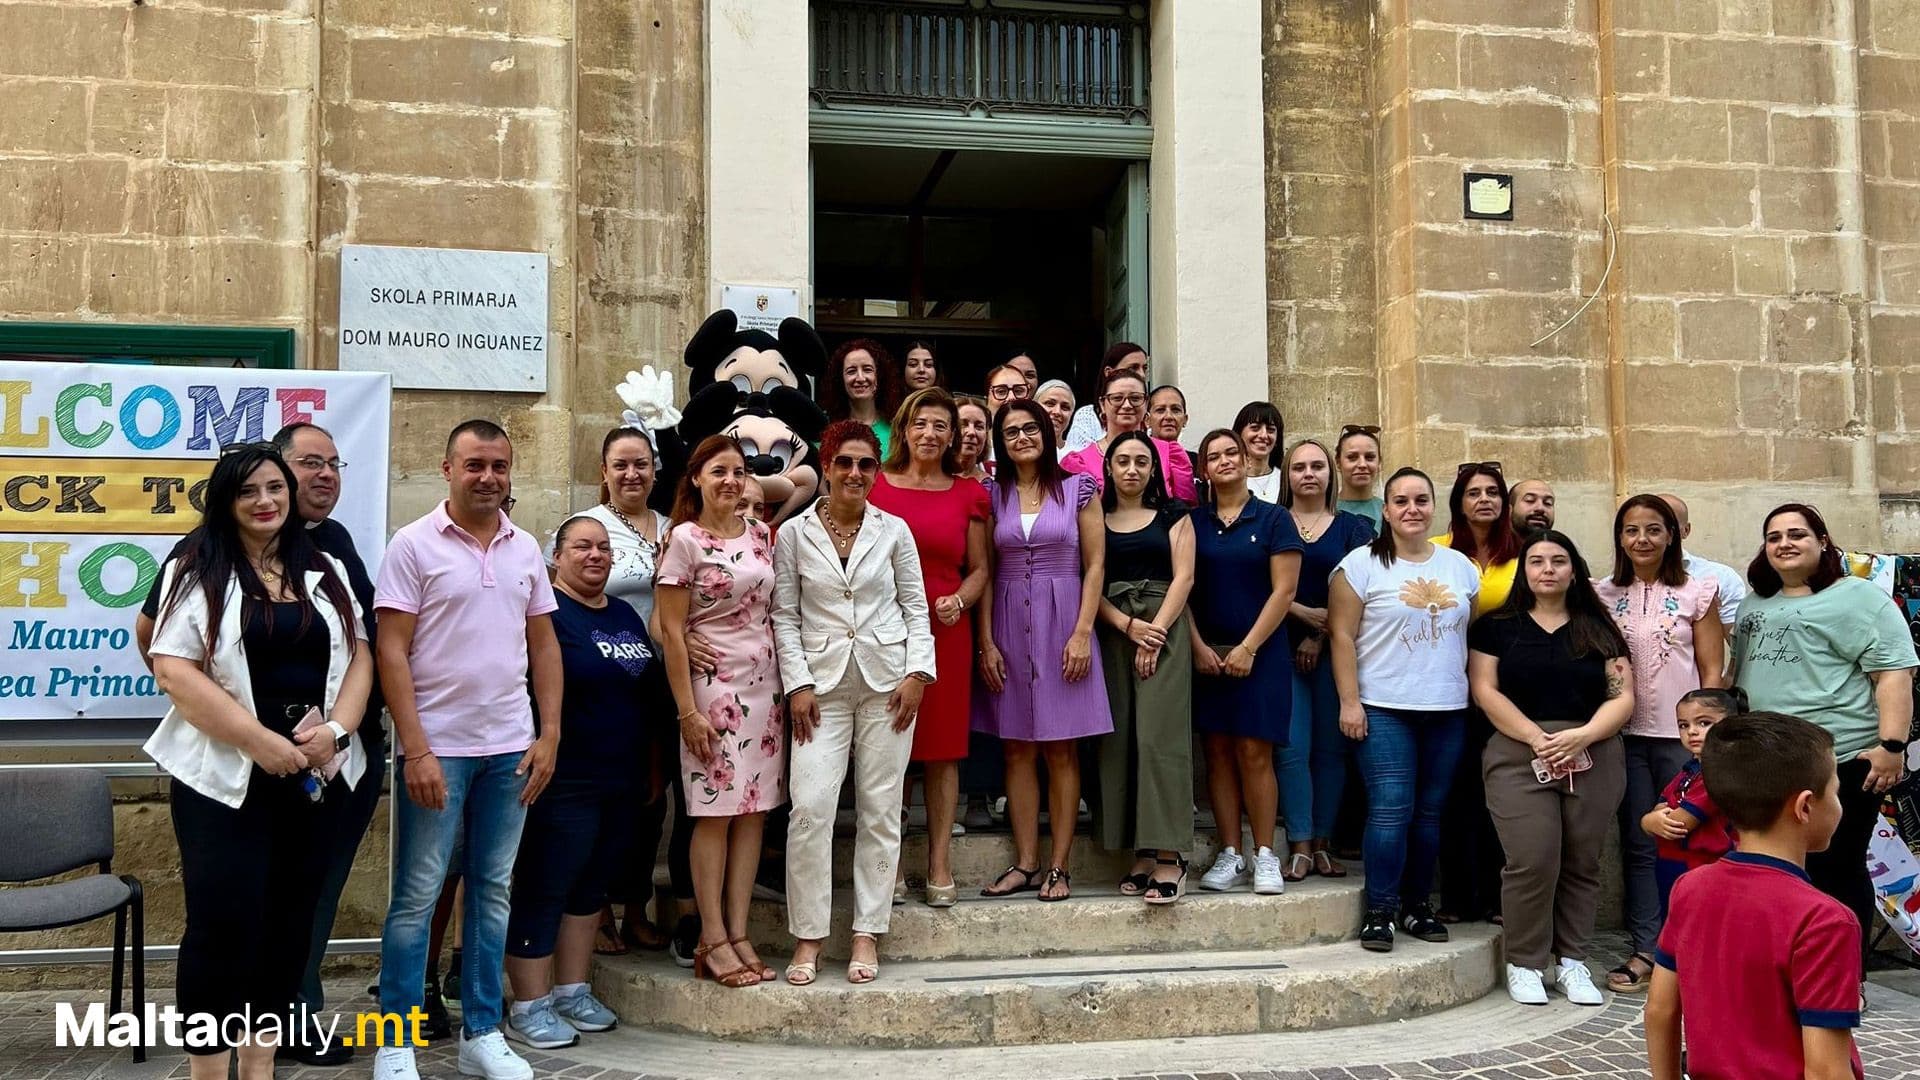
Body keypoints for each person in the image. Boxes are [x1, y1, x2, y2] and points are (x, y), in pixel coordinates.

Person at [135, 423, 384, 1069]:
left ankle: (259, 1067)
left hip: (312, 777)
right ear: (226, 500)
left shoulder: (323, 566)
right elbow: (170, 665)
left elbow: (362, 651)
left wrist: (337, 730)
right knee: (221, 932)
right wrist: (258, 741)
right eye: (249, 490)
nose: (266, 500)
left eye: (276, 486)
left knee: (287, 931)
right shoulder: (198, 566)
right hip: (225, 778)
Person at [372, 421, 562, 1080]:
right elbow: (390, 648)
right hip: (439, 752)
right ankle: (395, 1041)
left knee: (492, 892)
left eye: (500, 466)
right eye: (475, 465)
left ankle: (483, 1031)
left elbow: (543, 646)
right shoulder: (413, 545)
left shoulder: (526, 548)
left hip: (510, 751)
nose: (488, 477)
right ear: (447, 468)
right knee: (417, 898)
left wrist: (550, 735)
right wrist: (416, 749)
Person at [774, 421, 936, 984]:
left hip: (888, 684)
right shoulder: (794, 534)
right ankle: (809, 937)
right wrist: (796, 683)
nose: (855, 474)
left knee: (880, 809)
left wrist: (918, 672)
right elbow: (784, 615)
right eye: (845, 462)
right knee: (811, 810)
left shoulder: (894, 530)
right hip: (819, 690)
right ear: (826, 464)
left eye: (866, 464)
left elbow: (916, 607)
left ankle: (868, 931)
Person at [1731, 502, 1917, 970]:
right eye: (1774, 536)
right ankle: (1786, 964)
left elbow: (1893, 674)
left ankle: (1843, 972)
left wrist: (1892, 747)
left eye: (1797, 534)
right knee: (1777, 867)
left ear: (1822, 542)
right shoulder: (1755, 603)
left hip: (1840, 759)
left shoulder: (1859, 598)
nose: (1785, 544)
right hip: (1767, 760)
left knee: (1837, 866)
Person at [503, 516, 664, 1049]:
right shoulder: (547, 613)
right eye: (581, 547)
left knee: (590, 890)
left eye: (602, 548)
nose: (594, 556)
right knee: (546, 884)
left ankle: (571, 990)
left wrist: (651, 764)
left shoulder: (622, 613)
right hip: (562, 778)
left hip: (619, 779)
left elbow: (644, 690)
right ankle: (528, 1004)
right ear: (556, 557)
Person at [1646, 711, 1863, 1080]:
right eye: (1837, 792)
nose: (1840, 805)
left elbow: (1660, 1010)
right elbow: (1826, 1070)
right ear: (1805, 806)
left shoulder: (1690, 888)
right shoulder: (1826, 920)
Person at [1468, 530, 1631, 1007]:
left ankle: (1573, 961)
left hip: (1593, 752)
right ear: (1525, 570)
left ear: (1574, 570)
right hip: (1519, 752)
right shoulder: (1497, 627)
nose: (1547, 569)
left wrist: (1583, 735)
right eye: (1536, 561)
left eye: (1558, 561)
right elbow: (1486, 690)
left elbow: (1623, 697)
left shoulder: (1599, 629)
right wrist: (1537, 738)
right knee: (1532, 859)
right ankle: (1525, 962)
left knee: (1583, 861)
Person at [653, 435, 787, 988]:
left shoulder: (762, 534)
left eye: (738, 472)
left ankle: (738, 931)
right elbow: (670, 629)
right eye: (718, 471)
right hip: (712, 692)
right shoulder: (684, 539)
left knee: (754, 813)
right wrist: (687, 711)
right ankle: (709, 935)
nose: (731, 481)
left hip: (765, 690)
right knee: (714, 813)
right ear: (697, 479)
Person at [1327, 467, 1479, 952]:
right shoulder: (1360, 565)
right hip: (1383, 705)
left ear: (1433, 506)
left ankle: (1418, 905)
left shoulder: (1460, 568)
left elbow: (1467, 633)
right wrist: (1349, 702)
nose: (1411, 509)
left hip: (1446, 706)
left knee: (1430, 813)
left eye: (1420, 500)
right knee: (1391, 807)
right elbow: (1342, 636)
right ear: (1386, 511)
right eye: (1400, 501)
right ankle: (1381, 909)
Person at [974, 399, 1111, 902]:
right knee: (1016, 744)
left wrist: (1082, 631)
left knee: (1061, 744)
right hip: (1010, 619)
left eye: (1030, 428)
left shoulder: (1077, 488)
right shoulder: (994, 494)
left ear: (1046, 434)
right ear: (1001, 442)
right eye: (1010, 432)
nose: (1022, 438)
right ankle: (1026, 862)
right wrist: (985, 640)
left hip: (1064, 618)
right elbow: (985, 569)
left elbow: (1095, 565)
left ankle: (1060, 865)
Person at [1590, 493, 1725, 994]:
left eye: (1653, 529)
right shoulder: (1602, 593)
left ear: (1672, 535)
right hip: (1623, 736)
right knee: (1639, 842)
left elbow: (1711, 671)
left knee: (1691, 839)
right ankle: (1649, 947)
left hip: (1681, 739)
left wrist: (1709, 735)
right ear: (1619, 538)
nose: (1641, 539)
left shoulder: (1697, 591)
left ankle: (1694, 943)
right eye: (1631, 530)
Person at [871, 389, 991, 907]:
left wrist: (961, 602)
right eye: (921, 423)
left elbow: (981, 568)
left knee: (942, 754)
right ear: (904, 427)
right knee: (889, 750)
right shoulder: (875, 485)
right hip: (882, 630)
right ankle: (890, 863)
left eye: (942, 426)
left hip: (946, 630)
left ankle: (940, 862)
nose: (931, 434)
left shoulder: (968, 493)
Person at [1187, 429, 1303, 896]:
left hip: (1262, 652)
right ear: (1204, 469)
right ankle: (1231, 853)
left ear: (1246, 458)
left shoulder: (1275, 519)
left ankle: (1265, 855)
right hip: (1209, 653)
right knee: (1216, 753)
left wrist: (1248, 647)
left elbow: (1285, 591)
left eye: (1231, 452)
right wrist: (1197, 646)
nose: (1224, 461)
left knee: (1255, 753)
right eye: (1213, 456)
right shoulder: (1193, 523)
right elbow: (1184, 588)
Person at [1095, 431, 1197, 904]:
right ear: (1109, 468)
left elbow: (1185, 576)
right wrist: (1125, 625)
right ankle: (1140, 848)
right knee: (1121, 740)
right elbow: (1086, 578)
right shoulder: (1094, 515)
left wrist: (1153, 632)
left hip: (1165, 626)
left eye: (1141, 461)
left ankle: (1170, 855)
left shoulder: (1174, 515)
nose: (1132, 469)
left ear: (1154, 469)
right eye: (1123, 461)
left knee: (1159, 737)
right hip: (1114, 631)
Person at [1276, 439, 1374, 881]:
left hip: (1338, 650)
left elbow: (1365, 589)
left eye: (1317, 466)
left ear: (1330, 473)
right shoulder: (1274, 522)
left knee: (1332, 751)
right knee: (1293, 748)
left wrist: (1321, 634)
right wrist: (1299, 614)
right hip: (1280, 648)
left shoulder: (1353, 528)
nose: (1309, 474)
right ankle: (1298, 843)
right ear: (1287, 475)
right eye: (1299, 467)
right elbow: (1264, 585)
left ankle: (1322, 843)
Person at [1434, 460, 1516, 929]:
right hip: (1446, 687)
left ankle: (1497, 897)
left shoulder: (1524, 555)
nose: (1483, 499)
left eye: (1492, 492)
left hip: (1507, 691)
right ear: (1459, 503)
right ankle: (1457, 895)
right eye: (1473, 493)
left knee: (1500, 795)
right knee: (1454, 794)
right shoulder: (1437, 552)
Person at [1643, 686, 1744, 920]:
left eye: (1704, 723)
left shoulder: (1717, 772)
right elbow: (1657, 813)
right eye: (1683, 725)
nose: (1692, 732)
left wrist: (1652, 820)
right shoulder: (1689, 771)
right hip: (1672, 863)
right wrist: (1650, 820)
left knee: (1696, 929)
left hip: (1703, 866)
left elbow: (1678, 823)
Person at [1059, 369, 1197, 503]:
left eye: (1135, 398)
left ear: (1146, 403)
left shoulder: (1169, 453)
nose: (1127, 405)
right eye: (1117, 398)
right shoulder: (1079, 461)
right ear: (1102, 404)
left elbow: (1186, 513)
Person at [1661, 493, 1745, 629]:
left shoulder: (1720, 577)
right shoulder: (1616, 586)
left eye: (1668, 524)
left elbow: (1739, 645)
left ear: (1686, 530)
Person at [820, 338, 901, 456]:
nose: (860, 378)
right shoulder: (824, 427)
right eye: (851, 371)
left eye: (867, 370)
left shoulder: (898, 428)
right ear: (840, 379)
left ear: (879, 376)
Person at [1064, 342, 1147, 452]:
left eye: (1144, 368)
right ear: (1109, 372)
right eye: (1133, 368)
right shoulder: (1087, 416)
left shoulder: (1151, 412)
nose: (1142, 374)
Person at [1332, 424, 1383, 529]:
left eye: (1370, 457)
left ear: (1379, 463)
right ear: (1338, 462)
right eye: (1352, 457)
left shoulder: (1390, 512)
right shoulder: (1324, 510)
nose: (1362, 464)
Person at [1233, 401, 1284, 504]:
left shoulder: (1286, 480)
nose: (1264, 435)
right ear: (1239, 434)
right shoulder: (1229, 480)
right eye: (1255, 428)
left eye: (1270, 430)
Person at [1147, 384, 1198, 476]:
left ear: (1185, 419)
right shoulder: (1140, 461)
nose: (1169, 416)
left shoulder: (1197, 463)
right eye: (1160, 410)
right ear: (1147, 420)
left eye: (1175, 410)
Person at [954, 394, 992, 482]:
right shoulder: (929, 479)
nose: (971, 432)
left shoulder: (992, 488)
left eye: (979, 427)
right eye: (963, 424)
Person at [1034, 379, 1077, 448]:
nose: (1057, 412)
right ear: (1034, 407)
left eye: (1065, 407)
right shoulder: (1021, 451)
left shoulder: (1079, 455)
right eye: (1050, 404)